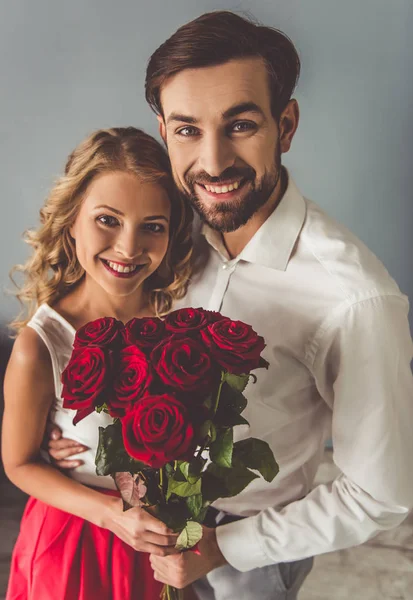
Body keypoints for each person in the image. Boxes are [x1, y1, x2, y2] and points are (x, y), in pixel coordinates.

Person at [48, 11, 413, 600]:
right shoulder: (161, 230)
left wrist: (220, 549)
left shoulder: (355, 299)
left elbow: (381, 495)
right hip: (134, 526)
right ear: (163, 129)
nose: (214, 163)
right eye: (188, 129)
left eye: (240, 125)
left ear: (285, 125)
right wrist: (69, 432)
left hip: (253, 555)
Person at [2, 126, 197, 600]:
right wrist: (111, 513)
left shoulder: (183, 319)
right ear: (71, 220)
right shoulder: (41, 343)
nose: (128, 248)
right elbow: (19, 464)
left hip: (164, 544)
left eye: (152, 226)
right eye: (107, 220)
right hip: (77, 543)